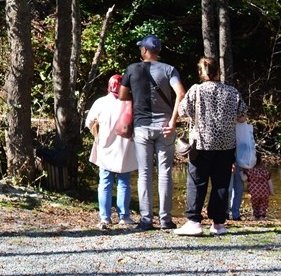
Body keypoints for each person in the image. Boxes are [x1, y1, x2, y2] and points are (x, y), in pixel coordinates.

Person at [117, 34, 185, 230]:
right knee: (165, 173)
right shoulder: (169, 70)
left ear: (145, 50)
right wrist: (173, 121)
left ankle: (146, 219)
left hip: (142, 126)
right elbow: (181, 93)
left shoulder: (132, 69)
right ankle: (165, 219)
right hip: (165, 126)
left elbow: (122, 96)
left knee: (144, 173)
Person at [175, 56, 247, 236]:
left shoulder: (196, 90)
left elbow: (182, 111)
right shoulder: (232, 92)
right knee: (221, 184)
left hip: (201, 143)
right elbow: (242, 116)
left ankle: (194, 222)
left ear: (201, 72)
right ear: (218, 72)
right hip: (226, 144)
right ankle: (218, 223)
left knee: (197, 182)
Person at [85, 74, 138, 230]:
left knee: (105, 183)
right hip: (125, 149)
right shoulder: (130, 103)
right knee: (124, 183)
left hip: (105, 148)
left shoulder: (100, 102)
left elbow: (89, 123)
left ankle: (105, 217)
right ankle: (124, 216)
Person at [243, 152, 273, 219]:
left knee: (255, 206)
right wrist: (272, 191)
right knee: (263, 206)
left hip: (254, 193)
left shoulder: (250, 171)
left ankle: (257, 217)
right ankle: (261, 217)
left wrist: (241, 172)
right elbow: (270, 182)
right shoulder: (265, 171)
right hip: (264, 193)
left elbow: (244, 178)